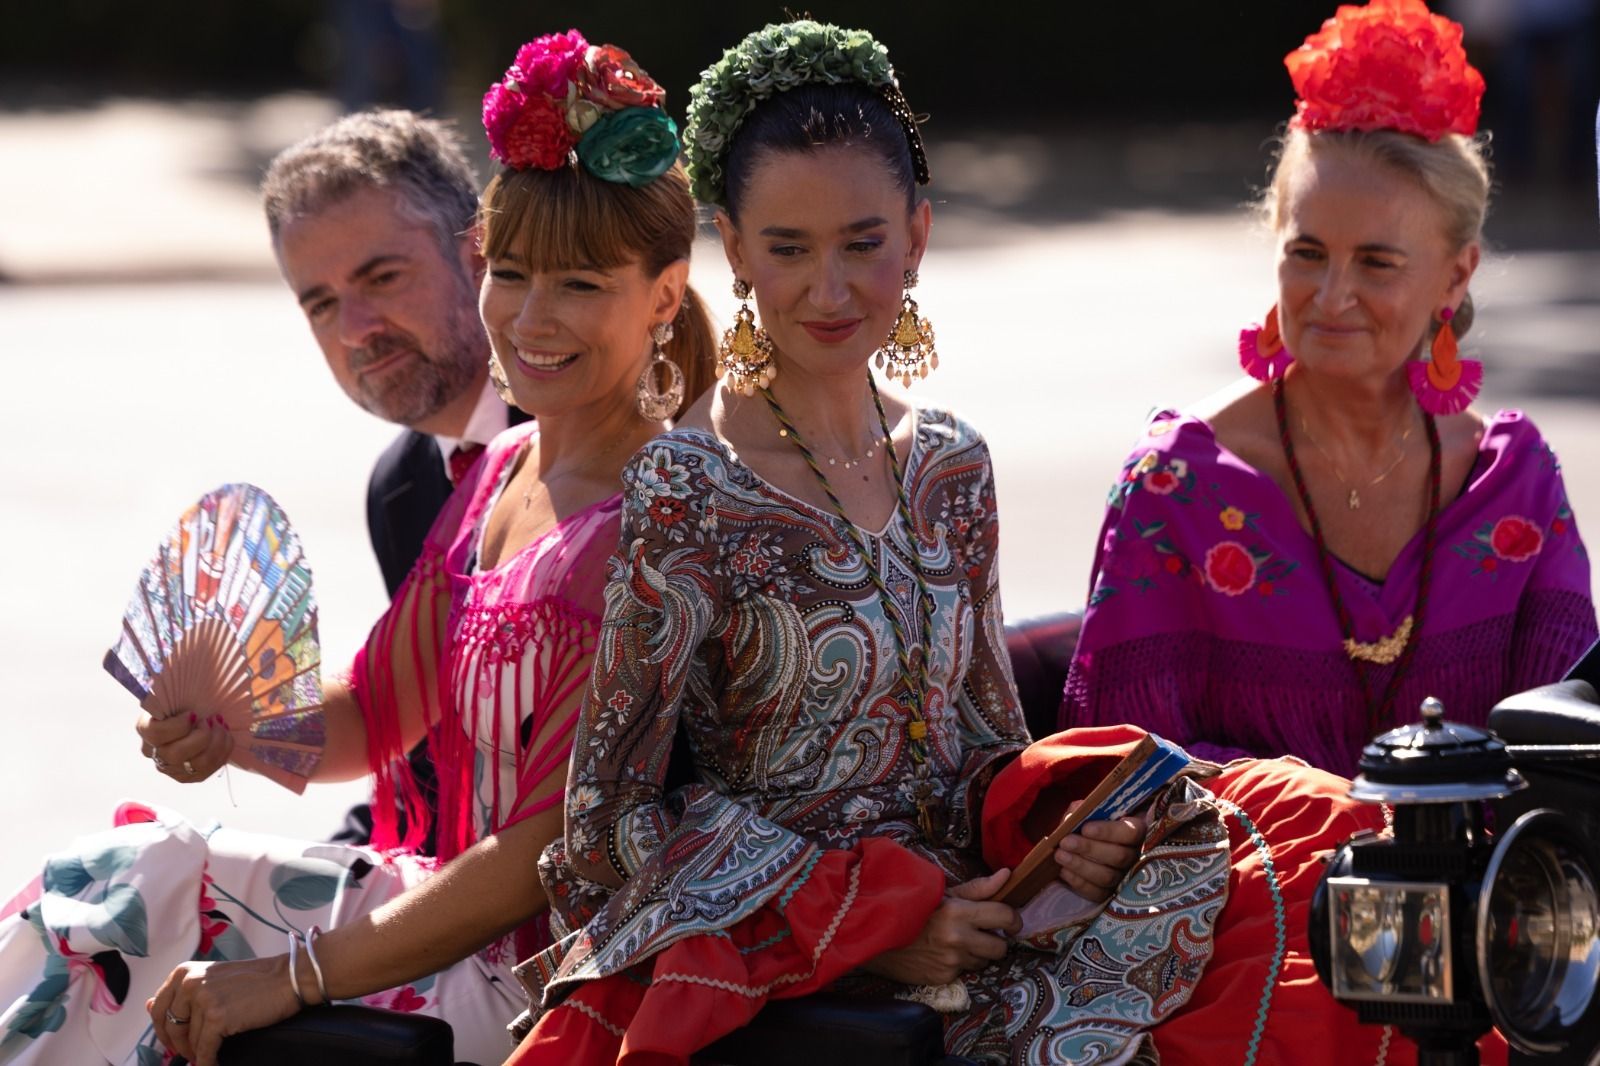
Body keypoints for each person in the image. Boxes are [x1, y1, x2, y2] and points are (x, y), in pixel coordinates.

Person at [502, 21, 1429, 1066]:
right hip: (811, 974)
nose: (831, 289)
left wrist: (1064, 840)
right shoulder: (688, 479)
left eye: (863, 243)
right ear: (734, 249)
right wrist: (879, 932)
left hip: (996, 922)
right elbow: (607, 826)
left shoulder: (950, 462)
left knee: (1336, 868)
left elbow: (984, 751)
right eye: (788, 249)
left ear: (919, 234)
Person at [0, 33, 713, 1066]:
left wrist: (293, 973)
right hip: (433, 900)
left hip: (545, 967)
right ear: (483, 266)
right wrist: (232, 723)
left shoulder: (661, 516)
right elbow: (375, 715)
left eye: (579, 287)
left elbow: (545, 850)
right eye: (512, 276)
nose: (532, 318)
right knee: (121, 875)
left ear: (659, 294)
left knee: (155, 953)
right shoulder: (495, 473)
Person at [1061, 0, 1597, 775]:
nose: (1332, 295)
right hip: (1245, 894)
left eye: (1377, 263)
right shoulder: (1176, 486)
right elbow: (1122, 773)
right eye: (1307, 253)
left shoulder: (1513, 485)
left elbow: (1562, 759)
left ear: (1456, 275)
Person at [262, 109, 532, 852]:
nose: (353, 327)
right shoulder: (401, 488)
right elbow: (433, 766)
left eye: (381, 277)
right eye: (320, 304)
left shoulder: (595, 417)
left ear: (479, 252)